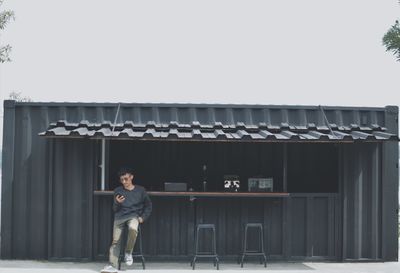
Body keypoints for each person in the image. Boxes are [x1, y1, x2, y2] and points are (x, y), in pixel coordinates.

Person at [102, 167, 152, 273]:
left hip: (133, 216)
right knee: (115, 241)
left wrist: (143, 217)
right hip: (119, 217)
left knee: (133, 228)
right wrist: (117, 202)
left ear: (131, 177)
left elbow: (148, 205)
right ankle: (112, 265)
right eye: (122, 180)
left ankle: (128, 252)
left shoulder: (140, 190)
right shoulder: (118, 191)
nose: (124, 182)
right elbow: (115, 209)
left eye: (126, 179)